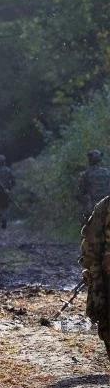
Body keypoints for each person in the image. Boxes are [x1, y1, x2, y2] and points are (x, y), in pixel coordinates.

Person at [81, 196, 110, 359]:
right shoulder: (105, 205)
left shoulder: (105, 205)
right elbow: (91, 240)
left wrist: (91, 268)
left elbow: (91, 241)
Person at [77, 150, 110, 225]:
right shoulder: (108, 172)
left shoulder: (85, 174)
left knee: (84, 219)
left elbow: (81, 192)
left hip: (93, 205)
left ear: (89, 160)